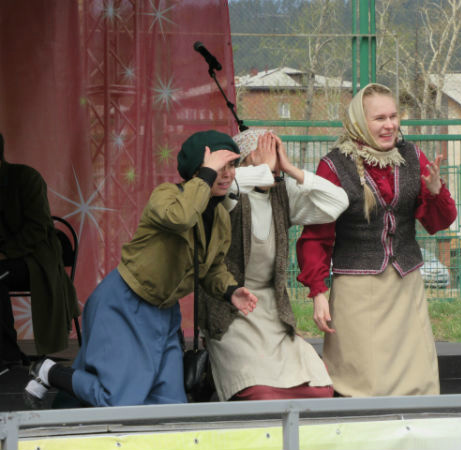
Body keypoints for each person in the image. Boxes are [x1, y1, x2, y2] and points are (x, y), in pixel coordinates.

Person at [24, 130, 258, 407]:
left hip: (164, 313)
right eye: (220, 166)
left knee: (169, 405)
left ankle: (66, 390)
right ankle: (49, 371)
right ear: (199, 169)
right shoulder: (167, 195)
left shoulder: (219, 216)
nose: (228, 174)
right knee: (118, 399)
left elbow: (213, 266)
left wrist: (230, 290)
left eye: (232, 165)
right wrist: (207, 176)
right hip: (125, 303)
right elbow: (181, 217)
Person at [296, 83, 457, 397]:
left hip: (405, 285)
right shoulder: (334, 166)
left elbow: (438, 223)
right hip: (358, 290)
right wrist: (318, 292)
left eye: (393, 116)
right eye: (379, 118)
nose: (389, 125)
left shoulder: (412, 157)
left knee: (415, 379)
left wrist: (436, 192)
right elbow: (316, 236)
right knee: (363, 380)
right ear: (360, 122)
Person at [200, 128, 349, 401]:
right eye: (266, 152)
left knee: (318, 390)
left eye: (277, 153)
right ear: (244, 161)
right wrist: (262, 170)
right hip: (231, 310)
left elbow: (338, 202)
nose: (274, 163)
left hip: (273, 311)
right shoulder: (228, 194)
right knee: (260, 393)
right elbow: (225, 185)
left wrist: (290, 169)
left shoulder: (282, 193)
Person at [0, 132, 78, 372]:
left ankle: (8, 356)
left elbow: (37, 229)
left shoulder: (26, 178)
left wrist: (5, 253)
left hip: (34, 259)